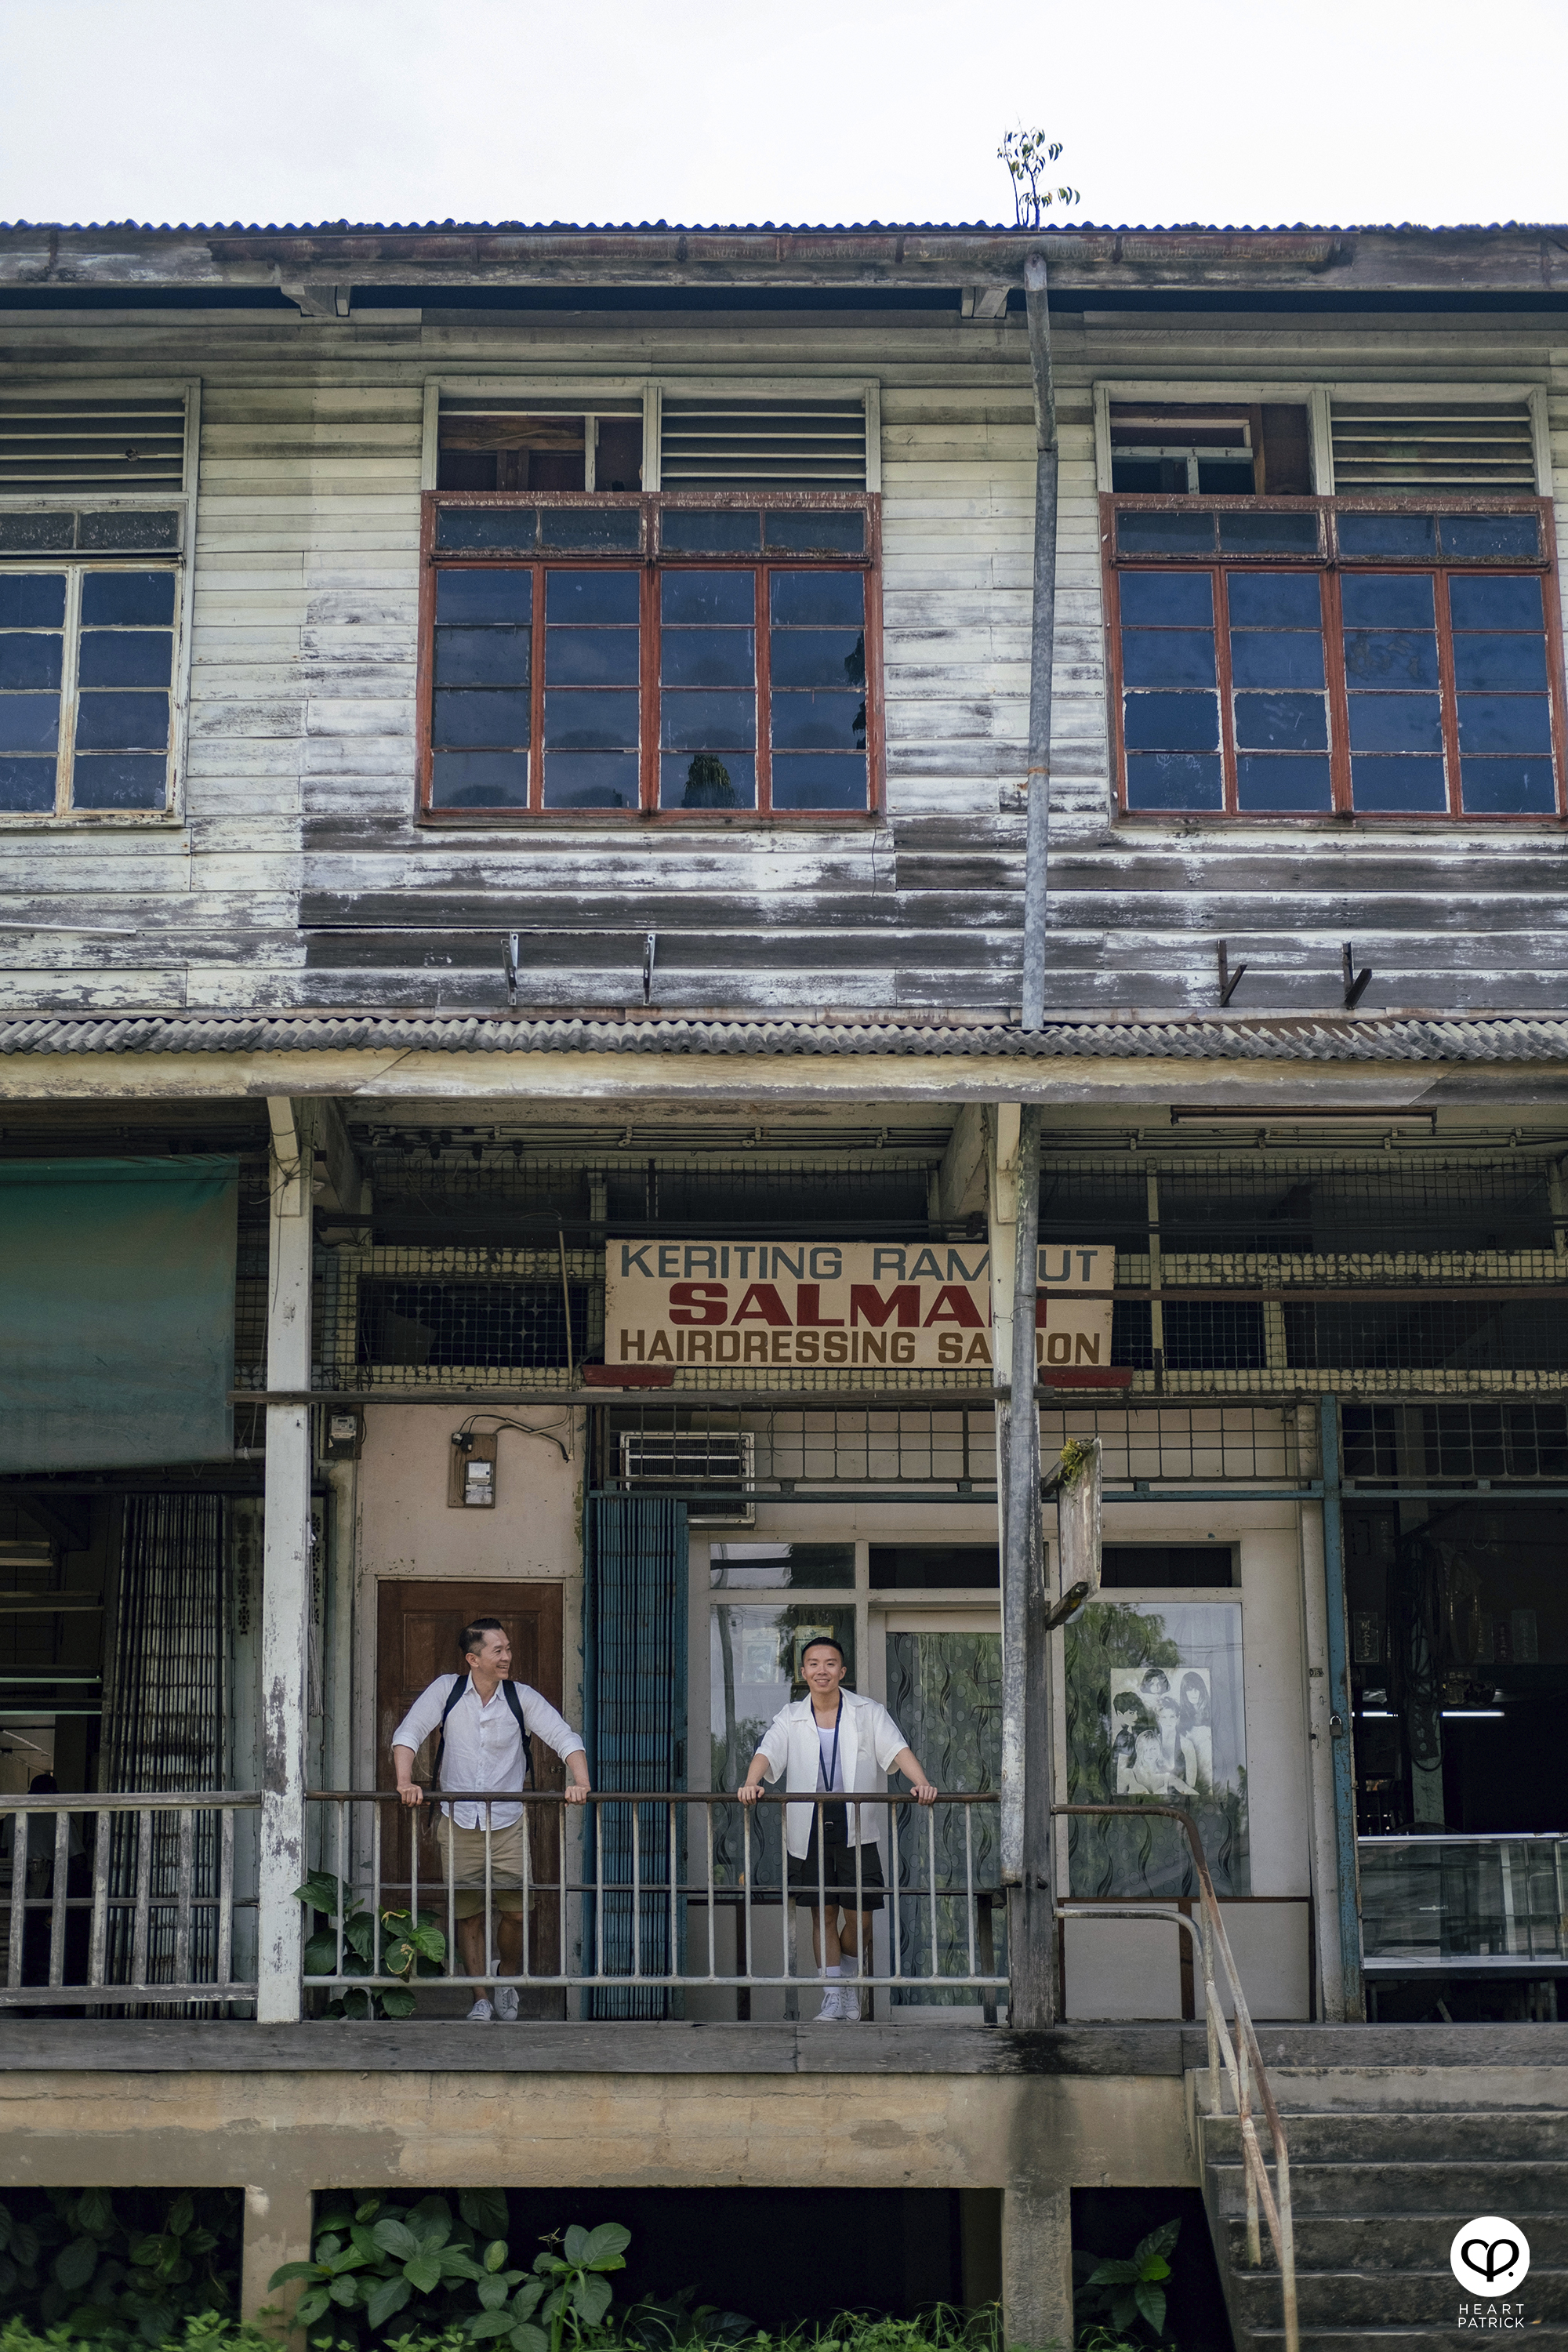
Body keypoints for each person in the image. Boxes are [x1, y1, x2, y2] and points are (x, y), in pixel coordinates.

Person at [392, 1616, 590, 2021]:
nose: (507, 1657)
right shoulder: (446, 1691)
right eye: (498, 1650)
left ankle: (507, 1978)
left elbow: (565, 1737)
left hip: (508, 1823)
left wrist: (581, 1782)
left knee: (516, 1914)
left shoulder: (521, 1697)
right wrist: (404, 1781)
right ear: (473, 1658)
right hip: (458, 1820)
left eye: (508, 1649)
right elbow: (408, 1733)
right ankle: (480, 1997)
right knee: (468, 1916)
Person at [737, 1635, 937, 2024]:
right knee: (822, 1914)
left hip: (856, 1825)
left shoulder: (867, 1711)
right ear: (803, 1673)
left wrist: (922, 1782)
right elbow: (767, 1750)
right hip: (808, 1825)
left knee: (861, 1919)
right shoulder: (791, 1715)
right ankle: (832, 1996)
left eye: (830, 1664)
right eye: (813, 1664)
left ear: (842, 1672)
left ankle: (844, 1979)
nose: (821, 1670)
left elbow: (896, 1749)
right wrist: (751, 1782)